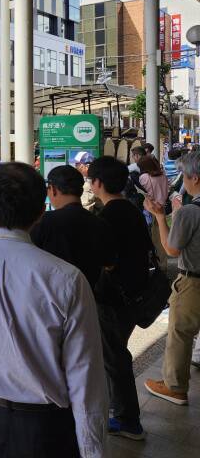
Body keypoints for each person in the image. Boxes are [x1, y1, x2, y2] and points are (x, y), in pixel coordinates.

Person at [0, 162, 106, 458]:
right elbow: (85, 376)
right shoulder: (66, 278)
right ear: (41, 211)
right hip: (45, 428)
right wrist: (93, 451)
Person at [89, 156, 151, 439]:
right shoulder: (131, 209)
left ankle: (128, 419)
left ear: (98, 182)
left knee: (114, 357)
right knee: (116, 353)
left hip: (115, 298)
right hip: (133, 294)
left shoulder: (108, 216)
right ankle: (121, 411)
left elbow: (106, 260)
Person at [143, 151, 200, 406]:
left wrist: (160, 216)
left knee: (180, 333)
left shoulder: (190, 211)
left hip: (194, 282)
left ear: (194, 178)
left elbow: (172, 249)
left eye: (185, 176)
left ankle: (175, 387)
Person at [31, 165, 112, 291]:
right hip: (88, 297)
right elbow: (109, 263)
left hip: (50, 297)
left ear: (53, 190)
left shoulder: (44, 222)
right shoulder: (99, 223)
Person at [138, 154, 170, 268]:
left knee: (149, 238)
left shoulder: (144, 177)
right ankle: (163, 266)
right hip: (162, 208)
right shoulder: (163, 175)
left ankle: (150, 265)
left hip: (149, 209)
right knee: (161, 240)